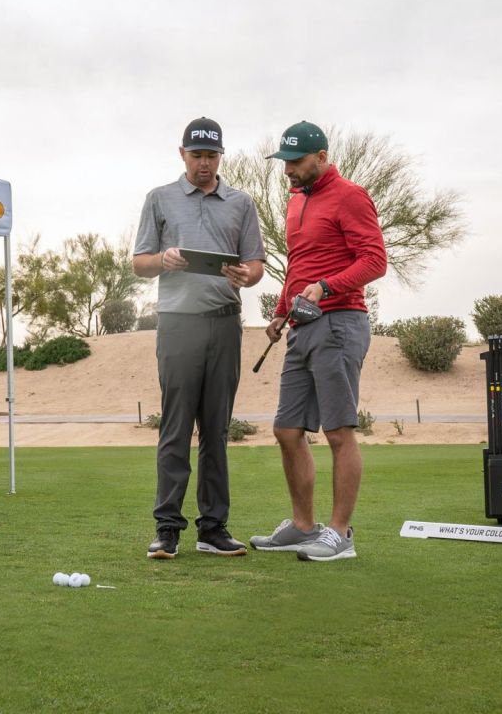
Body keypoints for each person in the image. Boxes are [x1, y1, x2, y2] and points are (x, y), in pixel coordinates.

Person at [248, 121, 387, 562]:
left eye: (296, 162)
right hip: (302, 327)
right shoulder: (296, 202)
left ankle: (340, 534)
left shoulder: (350, 196)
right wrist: (278, 312)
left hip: (341, 323)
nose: (288, 170)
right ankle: (304, 526)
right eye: (284, 163)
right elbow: (298, 265)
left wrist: (327, 287)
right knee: (287, 430)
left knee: (338, 430)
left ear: (322, 157)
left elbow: (375, 260)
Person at [133, 117, 266, 559]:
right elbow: (139, 263)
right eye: (197, 155)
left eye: (211, 155)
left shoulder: (241, 203)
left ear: (220, 156)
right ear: (182, 154)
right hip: (177, 322)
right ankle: (167, 528)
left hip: (224, 322)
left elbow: (255, 267)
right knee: (175, 428)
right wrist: (163, 260)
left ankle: (213, 529)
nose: (204, 163)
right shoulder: (160, 199)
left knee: (216, 430)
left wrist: (245, 275)